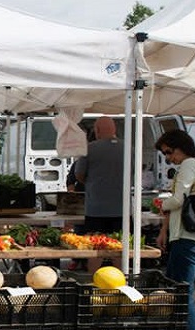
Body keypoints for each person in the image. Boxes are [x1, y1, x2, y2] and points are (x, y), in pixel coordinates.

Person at [154, 129, 195, 330]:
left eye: (169, 152)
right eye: (165, 154)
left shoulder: (188, 164)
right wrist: (164, 231)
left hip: (190, 237)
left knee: (182, 293)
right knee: (177, 290)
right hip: (189, 236)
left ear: (180, 147)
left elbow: (179, 199)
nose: (168, 158)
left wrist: (163, 204)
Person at [75, 116, 124, 272]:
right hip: (122, 207)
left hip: (96, 207)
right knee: (119, 246)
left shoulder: (89, 149)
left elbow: (79, 175)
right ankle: (122, 281)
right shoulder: (129, 148)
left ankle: (93, 281)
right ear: (114, 129)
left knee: (95, 247)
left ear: (96, 130)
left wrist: (93, 181)